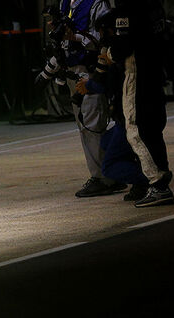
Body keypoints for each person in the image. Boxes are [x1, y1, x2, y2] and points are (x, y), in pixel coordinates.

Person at [94, 2, 173, 207]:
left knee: (136, 131)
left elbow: (123, 47)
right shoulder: (153, 8)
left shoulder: (127, 10)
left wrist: (108, 55)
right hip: (155, 75)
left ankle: (157, 184)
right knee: (152, 130)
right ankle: (160, 178)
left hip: (137, 76)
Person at [52, 0, 125, 198]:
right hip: (72, 70)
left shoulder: (96, 4)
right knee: (84, 125)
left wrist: (74, 36)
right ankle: (102, 174)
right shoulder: (65, 3)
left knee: (93, 123)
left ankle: (105, 177)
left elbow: (103, 38)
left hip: (91, 70)